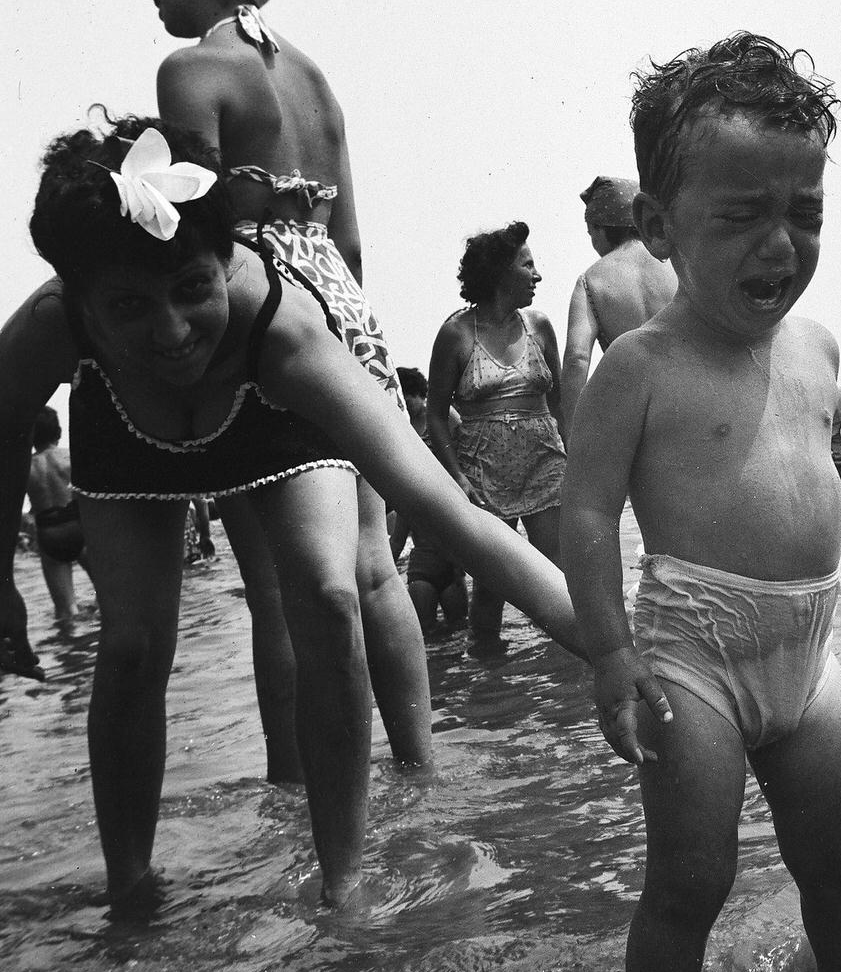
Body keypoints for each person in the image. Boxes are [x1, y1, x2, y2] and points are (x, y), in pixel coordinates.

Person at [0, 116, 581, 911]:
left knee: (331, 590)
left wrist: (609, 647)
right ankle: (130, 887)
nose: (171, 331)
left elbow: (451, 515)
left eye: (192, 289)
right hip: (125, 414)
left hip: (268, 400)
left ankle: (343, 885)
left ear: (226, 261)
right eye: (130, 306)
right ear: (81, 305)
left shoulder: (289, 330)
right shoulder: (46, 326)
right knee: (131, 644)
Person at [562, 32, 841, 972]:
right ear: (658, 226)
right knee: (691, 878)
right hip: (691, 655)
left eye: (805, 214)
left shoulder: (819, 349)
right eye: (744, 217)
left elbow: (816, 473)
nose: (780, 244)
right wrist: (611, 655)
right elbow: (583, 511)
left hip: (808, 649)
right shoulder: (641, 366)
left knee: (838, 854)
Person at [144, 0, 432, 778]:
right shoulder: (311, 77)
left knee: (276, 591)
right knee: (374, 568)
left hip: (262, 315)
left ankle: (290, 795)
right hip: (344, 310)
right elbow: (348, 240)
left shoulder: (192, 70)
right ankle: (422, 775)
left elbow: (192, 232)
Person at [427, 222, 566, 644]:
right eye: (528, 266)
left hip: (545, 466)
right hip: (484, 475)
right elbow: (435, 416)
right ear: (501, 273)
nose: (537, 275)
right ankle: (490, 686)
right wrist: (458, 477)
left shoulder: (539, 327)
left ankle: (564, 685)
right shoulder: (456, 334)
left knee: (560, 578)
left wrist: (574, 458)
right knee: (492, 588)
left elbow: (560, 403)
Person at [559, 176, 677, 439]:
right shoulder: (678, 264)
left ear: (601, 228)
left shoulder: (591, 280)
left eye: (591, 233)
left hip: (631, 410)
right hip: (687, 401)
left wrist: (572, 433)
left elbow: (577, 359)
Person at [389, 367, 468, 635]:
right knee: (427, 634)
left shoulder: (445, 418)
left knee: (459, 633)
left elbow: (464, 452)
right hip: (423, 564)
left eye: (407, 397)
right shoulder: (401, 426)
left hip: (452, 562)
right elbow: (396, 543)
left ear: (418, 394)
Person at [26, 406, 91, 630]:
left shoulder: (25, 467)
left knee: (66, 612)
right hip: (78, 528)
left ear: (30, 436)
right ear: (59, 431)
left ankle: (73, 657)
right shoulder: (70, 457)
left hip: (49, 534)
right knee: (109, 598)